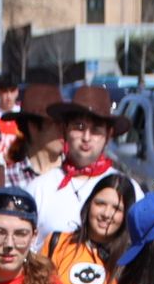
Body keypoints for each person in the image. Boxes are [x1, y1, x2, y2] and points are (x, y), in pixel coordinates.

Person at [30, 85, 143, 241]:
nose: (86, 138)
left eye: (96, 130)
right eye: (79, 127)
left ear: (108, 135)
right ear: (65, 130)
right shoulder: (40, 188)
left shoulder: (128, 189)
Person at [3, 82, 67, 189]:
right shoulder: (7, 180)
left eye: (65, 123)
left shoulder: (76, 177)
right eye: (56, 123)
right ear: (33, 127)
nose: (63, 129)